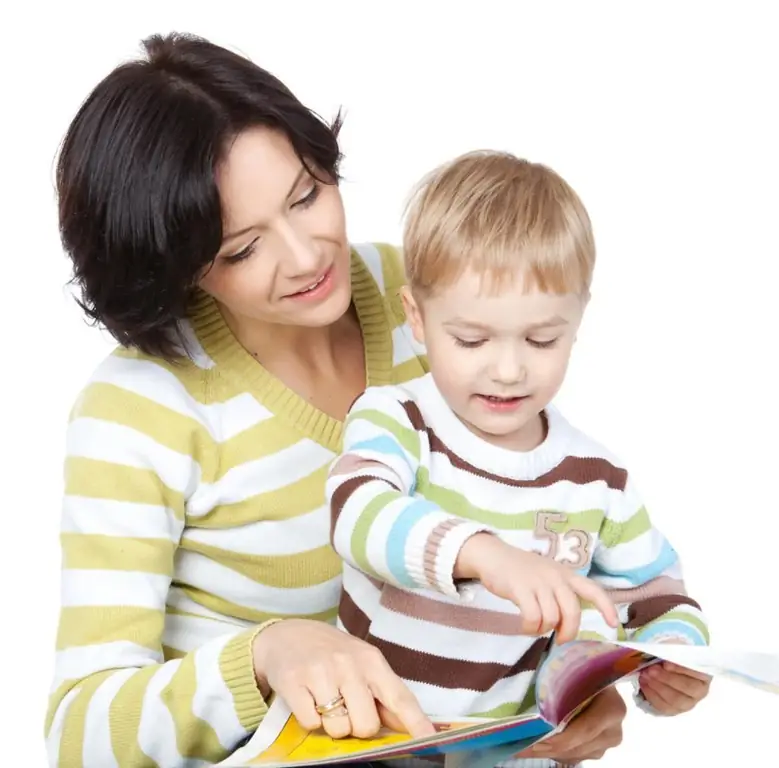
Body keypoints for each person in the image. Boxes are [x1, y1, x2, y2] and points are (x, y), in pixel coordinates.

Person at [45, 31, 650, 768]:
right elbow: (79, 735)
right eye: (241, 249)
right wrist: (266, 656)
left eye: (306, 196)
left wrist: (574, 684)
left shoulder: (423, 308)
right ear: (171, 266)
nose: (305, 257)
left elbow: (537, 513)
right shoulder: (139, 409)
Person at [326, 151, 713, 756]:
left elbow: (658, 594)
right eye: (471, 339)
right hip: (378, 745)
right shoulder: (396, 417)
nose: (507, 370)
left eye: (541, 339)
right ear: (418, 319)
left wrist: (670, 660)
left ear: (577, 322)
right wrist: (487, 556)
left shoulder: (597, 481)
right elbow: (358, 514)